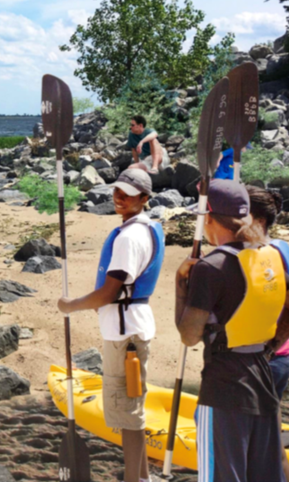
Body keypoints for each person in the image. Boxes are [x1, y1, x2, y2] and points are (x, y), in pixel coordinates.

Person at [175, 180, 289, 482]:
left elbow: (189, 335)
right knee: (264, 473)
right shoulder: (272, 255)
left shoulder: (211, 267)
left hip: (224, 386)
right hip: (263, 374)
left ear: (209, 218)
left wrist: (180, 286)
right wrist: (268, 346)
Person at [57, 169, 164, 482]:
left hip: (125, 334)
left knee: (127, 414)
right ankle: (142, 477)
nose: (119, 198)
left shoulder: (130, 236)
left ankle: (134, 479)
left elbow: (109, 292)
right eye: (117, 191)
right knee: (131, 409)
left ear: (144, 198)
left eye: (128, 194)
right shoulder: (146, 228)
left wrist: (70, 306)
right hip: (132, 326)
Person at [247, 185, 289, 480]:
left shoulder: (265, 255)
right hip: (279, 356)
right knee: (270, 430)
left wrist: (274, 344)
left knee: (261, 439)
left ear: (258, 219)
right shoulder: (284, 248)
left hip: (268, 357)